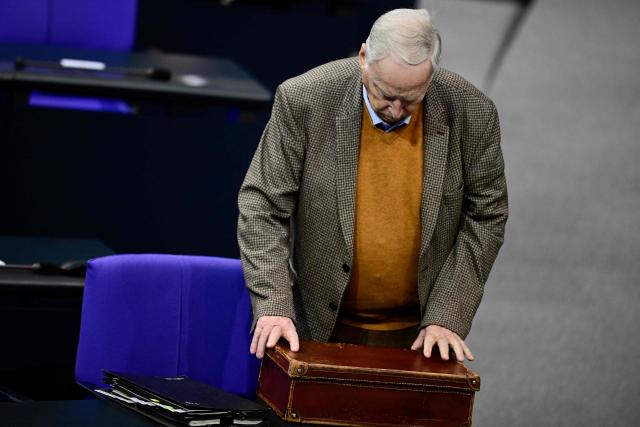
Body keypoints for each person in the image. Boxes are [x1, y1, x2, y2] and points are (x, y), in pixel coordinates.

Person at [237, 8, 507, 362]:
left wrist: (447, 315)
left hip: (419, 336)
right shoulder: (305, 99)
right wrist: (273, 303)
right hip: (316, 328)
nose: (396, 110)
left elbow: (487, 216)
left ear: (432, 74)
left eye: (411, 98)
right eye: (385, 94)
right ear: (363, 58)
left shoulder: (472, 112)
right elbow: (262, 206)